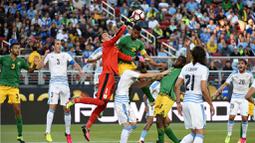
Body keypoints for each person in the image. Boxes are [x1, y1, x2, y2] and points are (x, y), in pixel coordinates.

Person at [66, 24, 135, 141]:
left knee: (103, 105)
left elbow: (126, 57)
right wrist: (124, 26)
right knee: (99, 101)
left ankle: (87, 127)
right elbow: (117, 36)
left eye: (107, 34)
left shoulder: (115, 49)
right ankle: (75, 100)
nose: (107, 35)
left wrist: (137, 57)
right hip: (107, 75)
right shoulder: (107, 44)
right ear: (103, 40)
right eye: (105, 35)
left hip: (112, 77)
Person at [37, 39, 83, 143]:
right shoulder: (49, 56)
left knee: (67, 108)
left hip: (65, 84)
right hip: (54, 84)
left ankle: (67, 133)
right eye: (57, 44)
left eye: (60, 44)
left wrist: (80, 70)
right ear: (54, 46)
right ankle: (47, 132)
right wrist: (44, 55)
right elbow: (39, 67)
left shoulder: (65, 55)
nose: (59, 46)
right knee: (52, 107)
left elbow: (74, 63)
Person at [115, 63, 168, 143]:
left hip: (124, 101)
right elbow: (145, 76)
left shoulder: (130, 77)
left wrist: (153, 79)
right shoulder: (129, 73)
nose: (142, 78)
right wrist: (162, 73)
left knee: (133, 124)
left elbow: (141, 85)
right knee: (128, 126)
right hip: (121, 101)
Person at [117, 24, 167, 107]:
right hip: (122, 65)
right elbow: (115, 52)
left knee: (142, 80)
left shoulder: (139, 43)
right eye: (135, 33)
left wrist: (156, 64)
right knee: (128, 85)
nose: (136, 35)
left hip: (132, 65)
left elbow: (146, 56)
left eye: (138, 34)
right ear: (132, 31)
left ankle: (151, 100)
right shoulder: (123, 40)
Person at [175, 46, 215, 143]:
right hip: (196, 102)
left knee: (193, 133)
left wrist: (178, 103)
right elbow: (204, 89)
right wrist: (210, 104)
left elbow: (176, 86)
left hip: (186, 102)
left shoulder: (185, 67)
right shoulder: (203, 69)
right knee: (200, 133)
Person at [0, 43, 39, 143]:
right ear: (10, 49)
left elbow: (30, 70)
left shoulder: (20, 61)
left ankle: (20, 136)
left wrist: (34, 64)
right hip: (2, 87)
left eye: (19, 48)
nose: (18, 50)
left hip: (14, 88)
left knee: (17, 110)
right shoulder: (4, 58)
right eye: (15, 48)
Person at [214, 59, 253, 143]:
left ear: (246, 66)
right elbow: (226, 84)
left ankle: (243, 138)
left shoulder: (249, 75)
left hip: (244, 99)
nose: (240, 65)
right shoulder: (234, 74)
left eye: (242, 63)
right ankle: (229, 134)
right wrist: (218, 90)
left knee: (245, 118)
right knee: (231, 117)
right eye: (239, 64)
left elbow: (253, 86)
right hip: (235, 98)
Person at [154, 55, 187, 143]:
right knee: (163, 122)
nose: (176, 61)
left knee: (159, 120)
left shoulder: (182, 71)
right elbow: (161, 76)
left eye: (179, 61)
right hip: (160, 95)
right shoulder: (171, 69)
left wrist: (188, 47)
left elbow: (189, 60)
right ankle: (177, 141)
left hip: (167, 96)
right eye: (177, 60)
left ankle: (161, 141)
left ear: (183, 64)